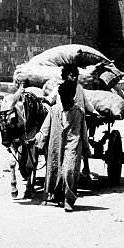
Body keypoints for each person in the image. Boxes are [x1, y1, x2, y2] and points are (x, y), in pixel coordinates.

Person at [34, 63, 91, 212]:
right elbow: (45, 128)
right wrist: (39, 143)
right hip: (56, 143)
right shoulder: (54, 110)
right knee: (55, 169)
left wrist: (86, 147)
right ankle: (55, 196)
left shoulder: (79, 112)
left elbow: (84, 130)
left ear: (71, 98)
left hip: (73, 144)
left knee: (70, 170)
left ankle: (69, 200)